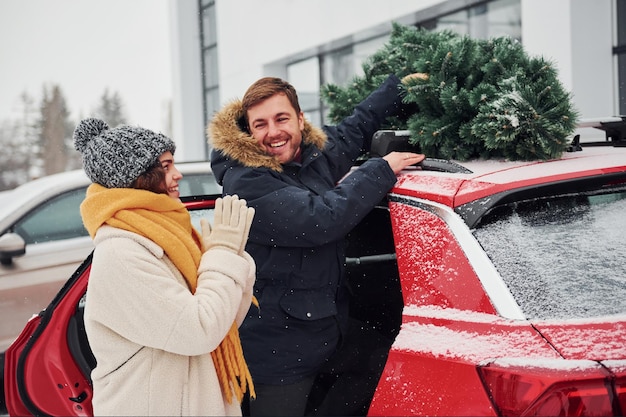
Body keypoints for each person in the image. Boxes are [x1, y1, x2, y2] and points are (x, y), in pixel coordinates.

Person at [208, 74, 425, 416]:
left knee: (380, 360)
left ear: (300, 120)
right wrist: (381, 168)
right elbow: (322, 219)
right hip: (277, 350)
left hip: (324, 328)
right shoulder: (247, 182)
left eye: (281, 119)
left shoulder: (309, 158)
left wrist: (399, 87)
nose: (273, 132)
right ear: (249, 133)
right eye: (260, 124)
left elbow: (355, 128)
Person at [73, 117, 256, 416]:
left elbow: (225, 322)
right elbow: (200, 329)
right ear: (137, 177)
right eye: (167, 165)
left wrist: (231, 256)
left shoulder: (166, 236)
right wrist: (221, 254)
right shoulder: (122, 253)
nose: (178, 174)